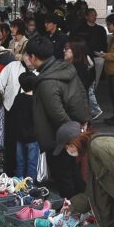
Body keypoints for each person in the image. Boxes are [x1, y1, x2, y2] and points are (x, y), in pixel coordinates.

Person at [24, 37, 90, 200]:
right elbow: (83, 93)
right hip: (74, 130)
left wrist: (69, 137)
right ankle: (84, 206)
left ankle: (72, 210)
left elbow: (57, 114)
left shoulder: (46, 82)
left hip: (59, 139)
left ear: (33, 57)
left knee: (65, 179)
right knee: (74, 175)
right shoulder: (66, 68)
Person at [12, 72, 40, 181]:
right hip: (33, 136)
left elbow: (14, 115)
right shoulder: (37, 99)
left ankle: (18, 182)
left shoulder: (18, 98)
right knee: (32, 163)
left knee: (20, 162)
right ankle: (30, 184)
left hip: (19, 135)